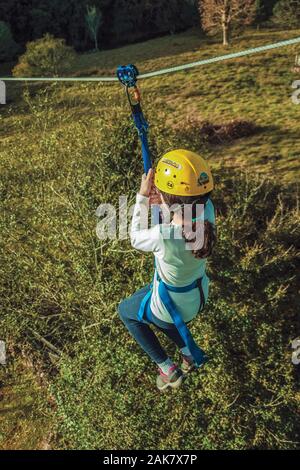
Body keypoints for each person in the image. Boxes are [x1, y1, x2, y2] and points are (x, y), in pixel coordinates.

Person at [118, 149, 216, 390]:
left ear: (165, 197)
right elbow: (184, 212)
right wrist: (163, 201)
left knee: (126, 311)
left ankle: (166, 367)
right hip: (196, 295)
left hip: (171, 304)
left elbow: (135, 237)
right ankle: (187, 352)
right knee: (144, 299)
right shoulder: (208, 214)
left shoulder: (163, 236)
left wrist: (142, 197)